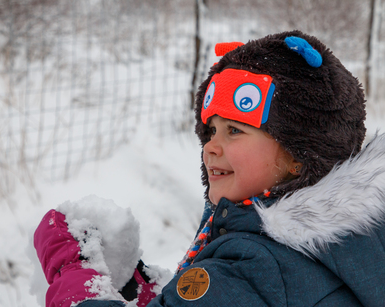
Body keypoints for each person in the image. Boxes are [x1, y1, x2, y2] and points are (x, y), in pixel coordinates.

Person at [33, 30, 385, 307]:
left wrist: (74, 272)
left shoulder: (257, 267)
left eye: (235, 131)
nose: (210, 147)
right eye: (211, 130)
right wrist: (136, 291)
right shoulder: (346, 244)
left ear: (299, 154)